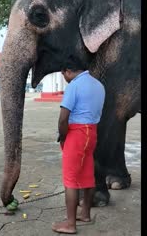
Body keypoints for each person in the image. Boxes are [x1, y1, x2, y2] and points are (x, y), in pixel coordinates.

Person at [52, 55, 105, 234]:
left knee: (70, 180)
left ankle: (70, 224)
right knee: (87, 175)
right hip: (92, 132)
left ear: (68, 71)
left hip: (77, 133)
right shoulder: (98, 85)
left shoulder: (75, 85)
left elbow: (63, 118)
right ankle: (85, 214)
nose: (65, 79)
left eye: (64, 75)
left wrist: (63, 136)